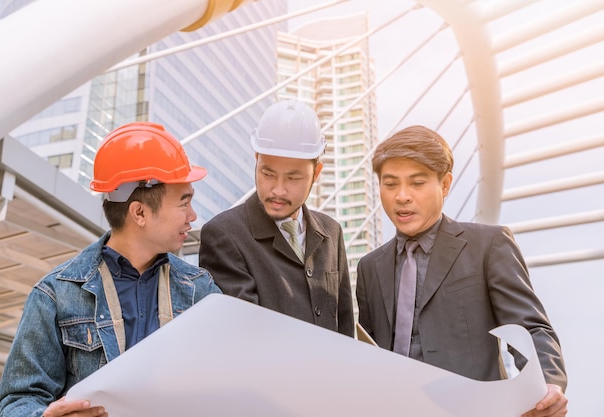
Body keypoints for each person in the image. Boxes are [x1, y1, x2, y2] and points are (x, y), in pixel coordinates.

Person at [0, 122, 221, 417]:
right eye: (184, 203)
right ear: (139, 212)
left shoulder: (201, 291)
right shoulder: (55, 295)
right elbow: (15, 403)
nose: (192, 216)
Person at [356, 125, 568, 417]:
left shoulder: (488, 245)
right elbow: (369, 355)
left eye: (416, 183)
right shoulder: (369, 267)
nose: (401, 196)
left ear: (444, 185)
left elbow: (531, 329)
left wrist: (546, 384)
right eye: (390, 184)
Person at [199, 99, 354, 336]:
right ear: (256, 160)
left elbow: (345, 330)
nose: (278, 190)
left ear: (317, 173)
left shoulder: (332, 233)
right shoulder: (224, 235)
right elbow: (243, 336)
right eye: (268, 173)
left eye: (293, 178)